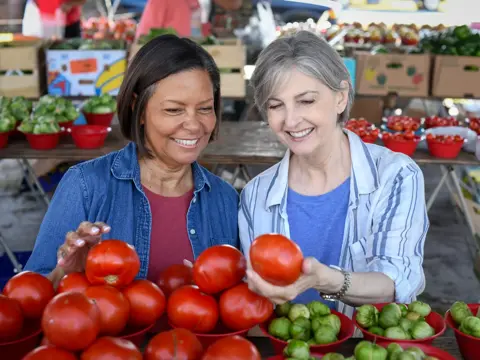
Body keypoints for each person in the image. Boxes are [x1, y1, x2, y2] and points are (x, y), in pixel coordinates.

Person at [24, 35, 239, 288]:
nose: (193, 125)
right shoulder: (85, 185)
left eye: (205, 108)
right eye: (173, 110)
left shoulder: (224, 198)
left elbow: (235, 299)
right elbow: (31, 295)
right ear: (138, 109)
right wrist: (64, 274)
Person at [240, 31, 428, 318]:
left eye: (306, 101)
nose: (291, 120)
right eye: (276, 105)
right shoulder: (256, 195)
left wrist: (327, 280)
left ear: (340, 98)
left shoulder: (395, 176)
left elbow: (397, 280)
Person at [135, 0, 243, 39]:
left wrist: (210, 30)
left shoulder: (195, 5)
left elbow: (195, 33)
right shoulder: (161, 2)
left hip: (189, 65)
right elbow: (143, 37)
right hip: (164, 66)